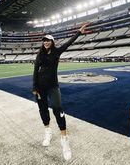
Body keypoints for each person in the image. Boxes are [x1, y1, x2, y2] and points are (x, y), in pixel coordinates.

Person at [32, 24, 87, 161]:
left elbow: (69, 43)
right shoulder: (40, 54)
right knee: (43, 109)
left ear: (52, 42)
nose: (46, 42)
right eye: (44, 40)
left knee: (58, 108)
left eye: (48, 40)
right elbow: (35, 71)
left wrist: (78, 33)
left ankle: (64, 140)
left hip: (53, 87)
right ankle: (48, 131)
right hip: (40, 87)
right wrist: (34, 87)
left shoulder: (57, 52)